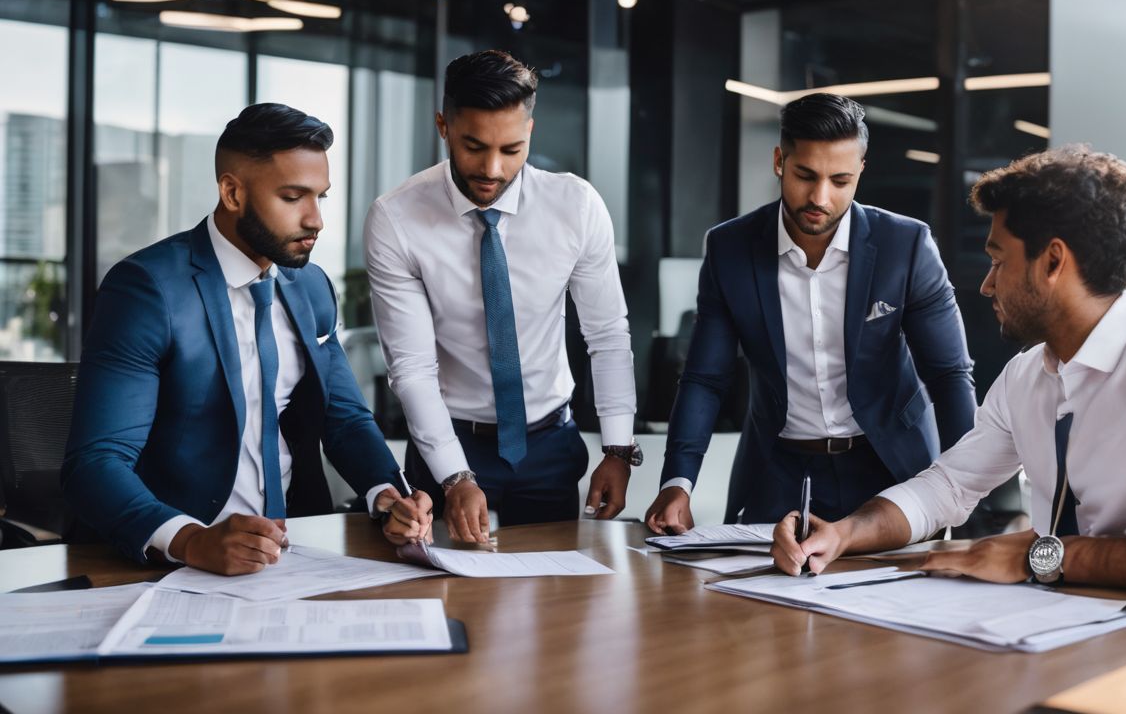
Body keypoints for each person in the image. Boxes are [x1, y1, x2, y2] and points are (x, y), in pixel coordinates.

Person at [770, 145, 1126, 607]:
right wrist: (844, 533)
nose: (986, 285)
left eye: (998, 260)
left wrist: (1044, 556)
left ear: (1053, 262)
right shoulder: (1029, 375)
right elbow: (947, 488)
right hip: (1089, 626)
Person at [63, 103, 432, 575]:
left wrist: (388, 495)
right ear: (232, 192)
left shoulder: (311, 286)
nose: (315, 219)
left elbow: (344, 417)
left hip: (294, 553)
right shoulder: (147, 290)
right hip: (173, 561)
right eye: (293, 197)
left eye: (320, 197)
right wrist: (192, 541)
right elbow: (96, 461)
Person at [645, 93, 976, 533]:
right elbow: (706, 379)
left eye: (840, 180)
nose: (820, 197)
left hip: (893, 469)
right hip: (778, 470)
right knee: (754, 598)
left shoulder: (907, 246)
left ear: (861, 169)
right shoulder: (731, 248)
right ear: (779, 160)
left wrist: (967, 490)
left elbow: (949, 375)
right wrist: (677, 482)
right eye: (805, 175)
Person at [365, 49, 638, 545]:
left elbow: (607, 335)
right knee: (447, 604)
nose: (492, 168)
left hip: (551, 446)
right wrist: (455, 475)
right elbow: (411, 367)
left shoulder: (575, 206)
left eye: (511, 149)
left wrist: (618, 448)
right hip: (447, 444)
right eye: (473, 146)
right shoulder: (397, 218)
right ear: (443, 125)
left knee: (555, 607)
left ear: (530, 132)